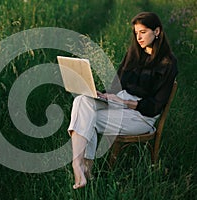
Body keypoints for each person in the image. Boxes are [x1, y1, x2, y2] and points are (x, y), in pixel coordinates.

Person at [68, 12, 178, 189]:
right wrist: (101, 94)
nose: (138, 37)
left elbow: (155, 107)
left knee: (88, 117)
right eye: (136, 33)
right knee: (83, 100)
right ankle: (78, 165)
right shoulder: (133, 54)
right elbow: (116, 86)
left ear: (157, 31)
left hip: (141, 116)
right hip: (121, 100)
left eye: (143, 32)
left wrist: (125, 103)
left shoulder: (168, 63)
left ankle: (86, 169)